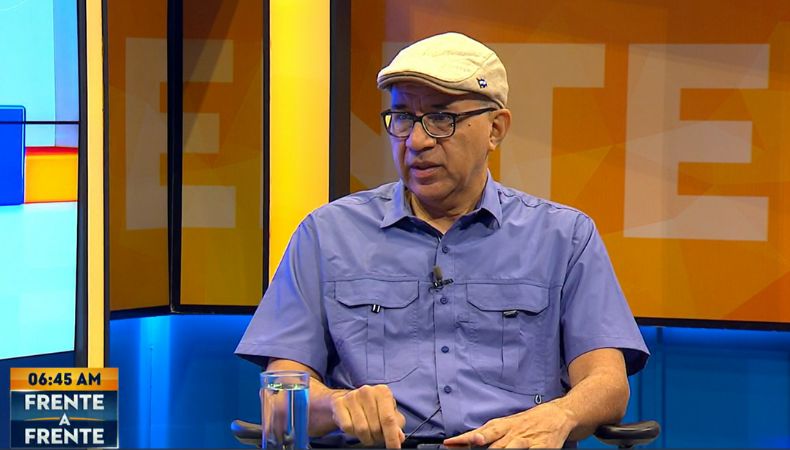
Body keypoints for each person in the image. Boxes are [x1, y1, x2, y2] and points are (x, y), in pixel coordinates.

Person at [236, 32, 649, 449]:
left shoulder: (564, 237)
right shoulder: (326, 235)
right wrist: (336, 404)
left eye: (440, 119)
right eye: (402, 117)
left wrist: (560, 416)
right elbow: (278, 400)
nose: (416, 142)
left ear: (495, 128)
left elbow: (609, 383)